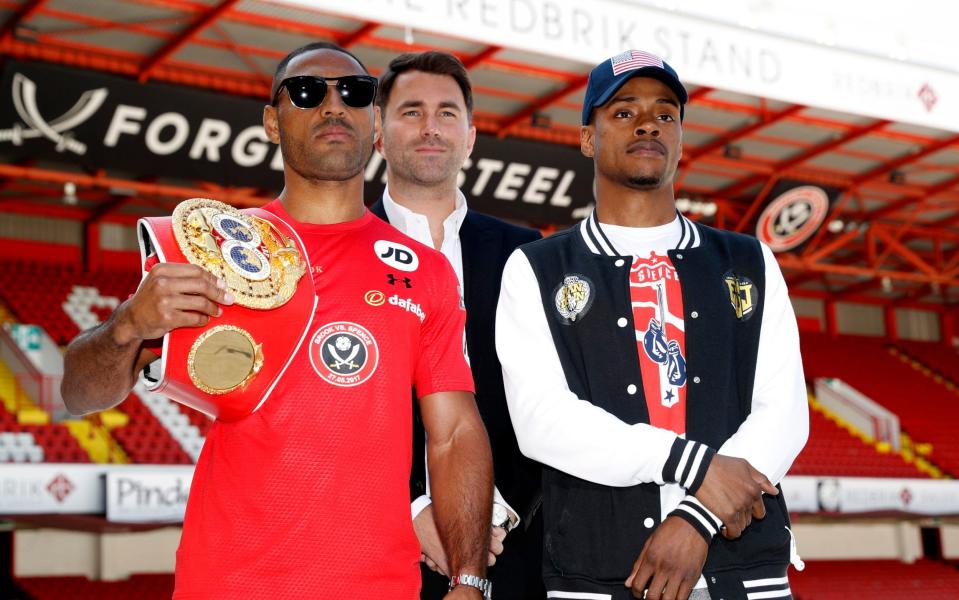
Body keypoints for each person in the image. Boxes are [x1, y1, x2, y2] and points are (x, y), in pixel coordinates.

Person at [61, 42, 495, 600]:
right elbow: (79, 395)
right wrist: (127, 325)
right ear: (272, 121)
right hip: (230, 582)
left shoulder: (427, 273)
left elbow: (456, 431)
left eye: (355, 93)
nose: (334, 105)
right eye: (309, 92)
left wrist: (469, 579)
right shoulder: (214, 248)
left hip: (379, 586)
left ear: (375, 124)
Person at [495, 49, 809, 600]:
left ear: (682, 138)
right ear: (588, 138)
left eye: (666, 114)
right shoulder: (538, 268)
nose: (648, 123)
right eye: (623, 112)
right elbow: (542, 420)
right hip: (599, 572)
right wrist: (692, 465)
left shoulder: (749, 260)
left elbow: (784, 411)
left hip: (742, 567)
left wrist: (697, 515)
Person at [369, 51, 545, 600]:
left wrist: (492, 518)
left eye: (447, 113)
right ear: (378, 134)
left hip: (509, 548)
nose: (430, 128)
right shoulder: (342, 247)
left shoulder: (524, 253)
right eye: (411, 111)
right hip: (375, 546)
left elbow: (542, 397)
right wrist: (412, 508)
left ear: (470, 137)